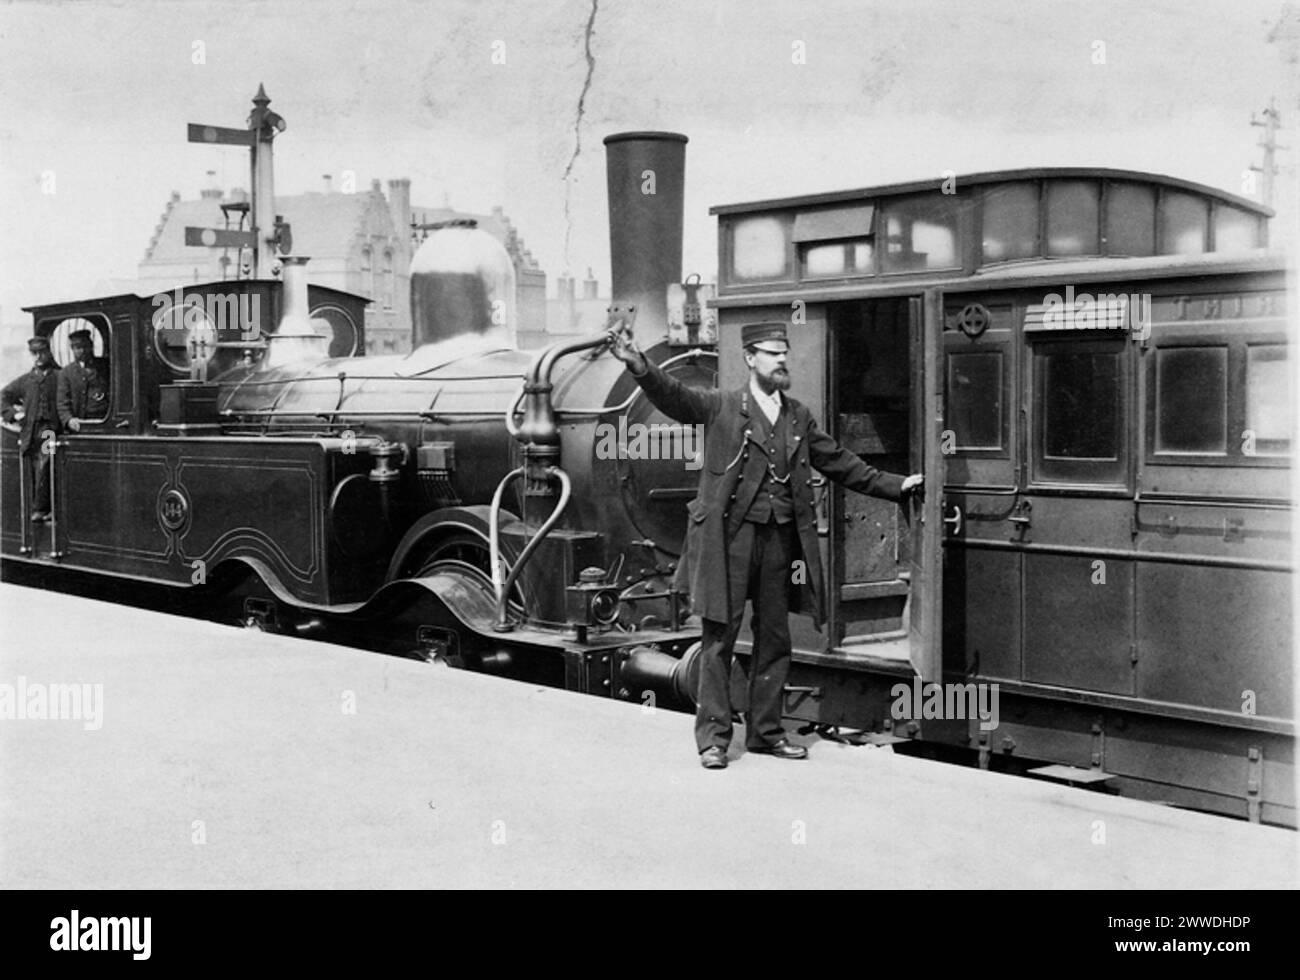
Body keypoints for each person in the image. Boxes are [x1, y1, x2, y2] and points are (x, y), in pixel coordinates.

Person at [609, 320, 923, 770]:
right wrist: (639, 365)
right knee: (719, 638)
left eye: (784, 354)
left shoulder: (797, 415)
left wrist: (897, 484)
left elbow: (840, 462)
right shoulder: (719, 406)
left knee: (775, 639)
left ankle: (765, 734)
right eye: (772, 354)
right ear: (749, 358)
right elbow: (674, 397)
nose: (781, 361)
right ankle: (714, 740)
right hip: (729, 541)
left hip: (780, 542)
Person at [1, 336, 62, 522]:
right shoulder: (26, 380)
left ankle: (41, 509)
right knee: (36, 468)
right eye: (34, 353)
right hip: (31, 430)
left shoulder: (60, 376)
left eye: (42, 352)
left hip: (50, 429)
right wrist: (14, 414)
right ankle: (41, 507)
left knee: (46, 464)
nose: (38, 357)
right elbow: (3, 397)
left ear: (48, 352)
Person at [57, 328, 110, 431]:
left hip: (104, 422)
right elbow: (62, 402)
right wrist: (69, 420)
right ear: (72, 349)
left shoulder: (105, 366)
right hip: (81, 425)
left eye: (85, 346)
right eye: (78, 347)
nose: (82, 351)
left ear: (91, 346)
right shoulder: (66, 373)